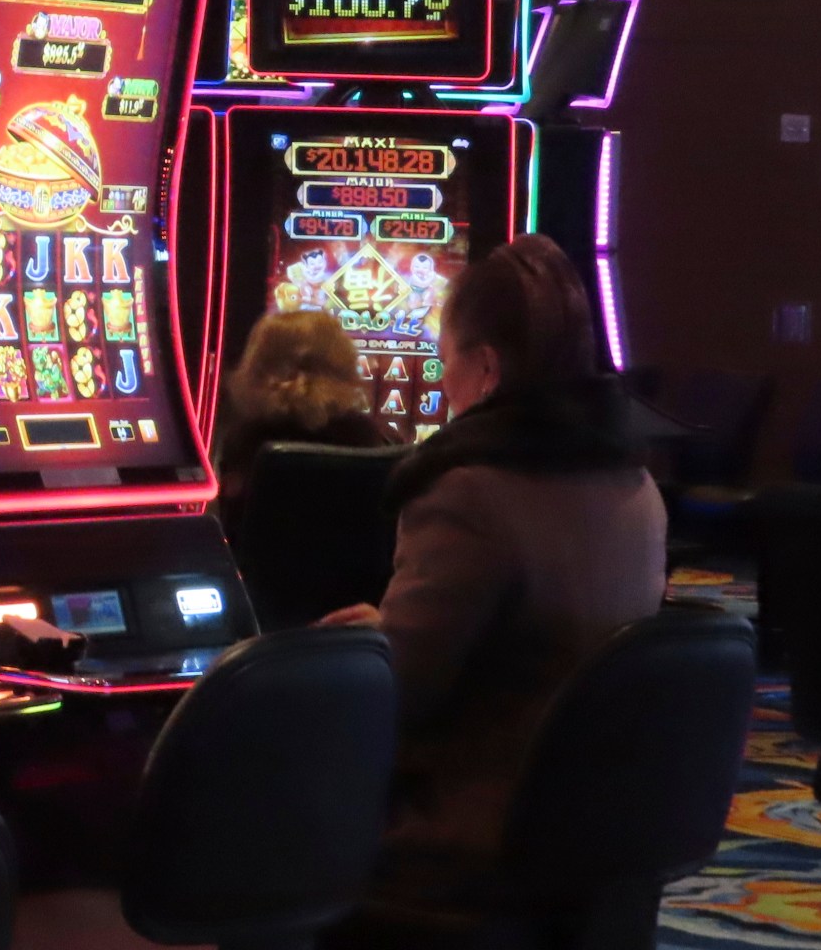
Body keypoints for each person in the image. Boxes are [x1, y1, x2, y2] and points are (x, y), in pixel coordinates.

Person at [318, 235, 666, 924]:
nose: (443, 386)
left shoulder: (470, 491)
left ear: (485, 367)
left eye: (444, 364)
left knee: (258, 784)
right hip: (609, 822)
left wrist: (354, 659)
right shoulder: (637, 483)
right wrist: (384, 636)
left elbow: (402, 699)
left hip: (477, 825)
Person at [211, 309, 398, 534]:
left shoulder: (243, 443)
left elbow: (229, 531)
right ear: (344, 363)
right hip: (367, 570)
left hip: (264, 569)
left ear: (256, 365)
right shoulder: (380, 442)